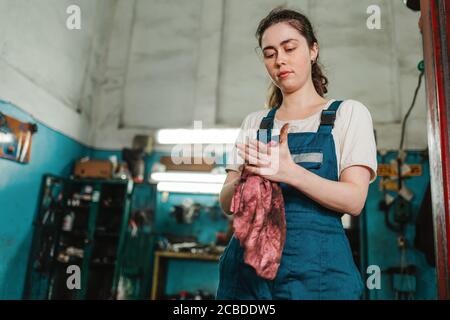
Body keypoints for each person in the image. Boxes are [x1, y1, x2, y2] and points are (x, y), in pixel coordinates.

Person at [216, 7, 378, 300]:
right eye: (269, 53)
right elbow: (226, 203)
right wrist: (244, 180)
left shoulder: (348, 114)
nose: (280, 60)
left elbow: (354, 200)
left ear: (313, 50)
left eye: (290, 48)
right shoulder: (255, 123)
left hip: (318, 273)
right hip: (248, 274)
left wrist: (291, 173)